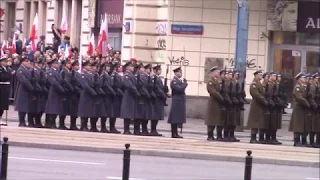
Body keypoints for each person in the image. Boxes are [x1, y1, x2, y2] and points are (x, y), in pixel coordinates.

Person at [289, 72, 313, 147]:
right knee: (298, 125)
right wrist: (308, 104)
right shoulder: (297, 87)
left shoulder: (305, 86)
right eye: (304, 78)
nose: (305, 79)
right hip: (299, 108)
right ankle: (297, 141)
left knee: (304, 125)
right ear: (299, 79)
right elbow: (300, 98)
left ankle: (304, 141)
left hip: (303, 109)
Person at [247, 70, 268, 143]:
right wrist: (264, 100)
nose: (261, 76)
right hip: (256, 105)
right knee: (254, 122)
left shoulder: (259, 83)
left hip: (260, 105)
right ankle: (253, 138)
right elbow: (256, 94)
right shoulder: (254, 84)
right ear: (256, 75)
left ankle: (258, 138)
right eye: (260, 75)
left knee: (259, 122)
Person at [44, 59, 65, 129]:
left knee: (56, 108)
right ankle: (51, 123)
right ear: (52, 64)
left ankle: (53, 123)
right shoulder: (50, 72)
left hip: (57, 92)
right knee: (52, 108)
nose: (57, 65)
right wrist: (61, 89)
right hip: (53, 91)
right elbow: (53, 82)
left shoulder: (57, 72)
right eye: (56, 63)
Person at [168, 67, 188, 138]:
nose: (181, 73)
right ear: (176, 73)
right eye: (179, 72)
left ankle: (176, 133)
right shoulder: (174, 81)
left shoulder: (179, 81)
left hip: (180, 101)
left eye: (181, 72)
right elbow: (179, 89)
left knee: (178, 118)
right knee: (175, 118)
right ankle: (173, 133)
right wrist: (185, 84)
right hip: (176, 101)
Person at [14, 57, 34, 127]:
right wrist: (31, 87)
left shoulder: (27, 70)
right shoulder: (20, 70)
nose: (28, 63)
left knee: (26, 107)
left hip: (27, 90)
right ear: (22, 62)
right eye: (26, 61)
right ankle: (21, 121)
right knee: (22, 107)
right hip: (23, 90)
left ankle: (25, 122)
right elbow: (23, 80)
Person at [120, 61, 139, 135]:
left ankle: (127, 129)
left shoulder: (131, 74)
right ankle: (126, 129)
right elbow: (129, 85)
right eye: (131, 66)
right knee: (127, 113)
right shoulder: (127, 75)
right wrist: (136, 92)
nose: (133, 68)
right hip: (128, 95)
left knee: (130, 113)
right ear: (128, 67)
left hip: (131, 96)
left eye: (133, 67)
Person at [205, 66, 223, 141]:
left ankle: (217, 135)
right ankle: (210, 135)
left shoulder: (218, 81)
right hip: (213, 102)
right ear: (213, 73)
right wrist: (221, 98)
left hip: (218, 103)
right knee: (211, 120)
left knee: (217, 119)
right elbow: (213, 92)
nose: (218, 74)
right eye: (217, 72)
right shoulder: (210, 82)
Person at [78, 61, 96, 131]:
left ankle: (86, 125)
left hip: (89, 95)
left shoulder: (90, 74)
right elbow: (85, 85)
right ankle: (83, 125)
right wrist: (93, 92)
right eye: (88, 66)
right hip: (85, 94)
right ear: (84, 66)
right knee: (84, 111)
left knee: (88, 111)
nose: (90, 67)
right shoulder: (83, 74)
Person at [150, 64, 166, 136]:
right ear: (155, 71)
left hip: (159, 99)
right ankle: (153, 130)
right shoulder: (154, 78)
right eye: (159, 70)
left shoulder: (158, 78)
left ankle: (154, 130)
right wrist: (163, 94)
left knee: (157, 115)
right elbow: (156, 88)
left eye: (160, 70)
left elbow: (161, 88)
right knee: (155, 115)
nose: (160, 71)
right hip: (156, 98)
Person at [100, 62, 116, 133]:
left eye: (109, 67)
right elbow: (105, 85)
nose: (109, 68)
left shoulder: (108, 75)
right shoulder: (103, 75)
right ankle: (103, 127)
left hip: (109, 95)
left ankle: (107, 127)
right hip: (105, 94)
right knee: (104, 112)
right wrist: (112, 92)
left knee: (107, 111)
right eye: (108, 67)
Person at [0, 57, 14, 126]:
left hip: (6, 88)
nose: (6, 63)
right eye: (5, 61)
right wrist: (9, 74)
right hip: (1, 87)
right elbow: (2, 77)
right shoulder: (1, 69)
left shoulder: (8, 69)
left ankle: (1, 118)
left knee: (3, 105)